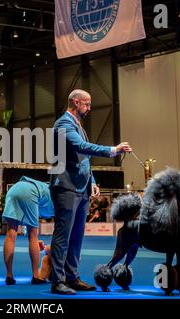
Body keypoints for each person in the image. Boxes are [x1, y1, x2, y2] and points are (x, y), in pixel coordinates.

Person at [49, 89, 132, 295]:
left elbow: (83, 158)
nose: (89, 108)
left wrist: (92, 181)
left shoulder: (78, 125)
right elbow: (81, 146)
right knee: (63, 236)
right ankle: (57, 280)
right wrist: (113, 150)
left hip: (81, 188)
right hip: (66, 187)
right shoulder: (63, 124)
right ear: (75, 102)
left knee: (76, 237)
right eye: (86, 104)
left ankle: (72, 277)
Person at [2, 176, 54, 285]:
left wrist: (35, 241)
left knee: (11, 233)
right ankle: (36, 276)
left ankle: (9, 275)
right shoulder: (57, 200)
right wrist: (34, 240)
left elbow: (28, 215)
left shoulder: (48, 189)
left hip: (13, 189)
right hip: (30, 191)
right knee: (33, 236)